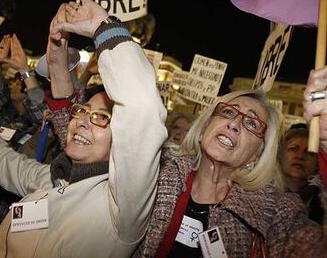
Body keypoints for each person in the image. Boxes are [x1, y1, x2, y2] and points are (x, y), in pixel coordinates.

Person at [0, 0, 167, 257]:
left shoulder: (122, 210)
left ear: (124, 138)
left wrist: (103, 25)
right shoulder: (52, 179)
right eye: (82, 110)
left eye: (101, 117)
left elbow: (142, 108)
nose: (83, 121)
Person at [135, 88, 327, 257]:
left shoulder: (277, 212)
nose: (234, 124)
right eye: (228, 112)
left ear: (258, 154)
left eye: (252, 123)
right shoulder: (154, 175)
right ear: (204, 129)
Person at [278, 124, 323, 224]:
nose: (300, 156)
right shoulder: (261, 196)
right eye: (293, 149)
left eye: (309, 152)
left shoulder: (323, 204)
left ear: (317, 163)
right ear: (280, 156)